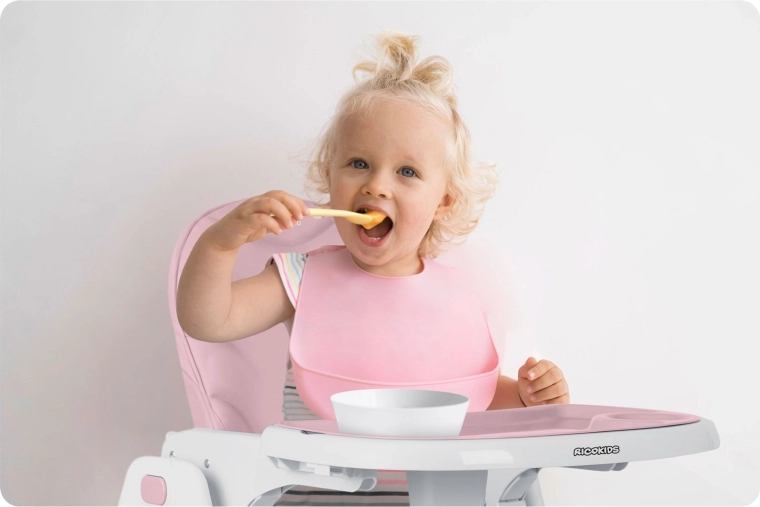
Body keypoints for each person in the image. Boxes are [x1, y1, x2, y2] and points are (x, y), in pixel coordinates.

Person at [177, 29, 570, 506]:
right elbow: (207, 320)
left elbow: (476, 397)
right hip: (315, 499)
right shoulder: (299, 278)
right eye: (359, 163)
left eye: (407, 172)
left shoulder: (460, 294)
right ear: (330, 175)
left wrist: (530, 397)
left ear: (443, 201)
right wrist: (221, 245)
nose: (377, 185)